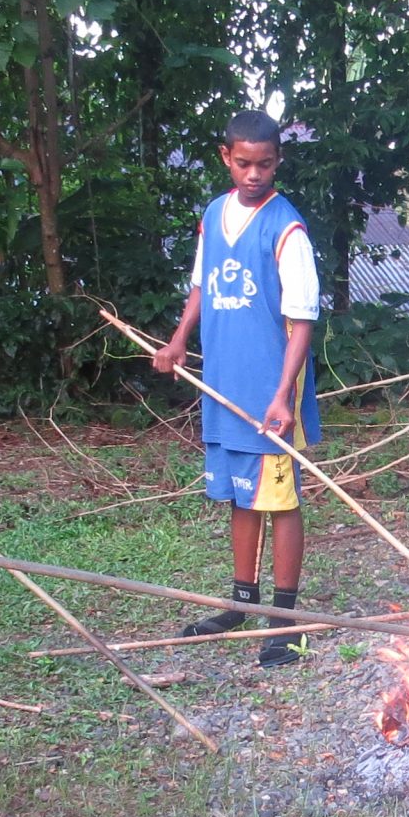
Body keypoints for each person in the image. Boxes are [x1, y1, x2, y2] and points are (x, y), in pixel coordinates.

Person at [151, 109, 322, 667]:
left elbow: (302, 321)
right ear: (226, 157)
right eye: (244, 163)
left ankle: (285, 619)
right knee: (240, 495)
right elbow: (202, 282)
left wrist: (283, 393)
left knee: (280, 498)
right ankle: (241, 601)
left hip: (269, 390)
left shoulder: (286, 228)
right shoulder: (213, 213)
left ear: (279, 161)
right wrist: (178, 340)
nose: (254, 174)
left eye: (265, 164)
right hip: (223, 383)